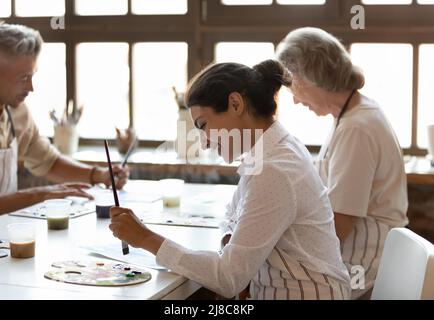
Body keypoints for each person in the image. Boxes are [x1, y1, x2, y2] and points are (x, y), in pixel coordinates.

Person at [109, 59, 351, 300]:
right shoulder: (271, 151)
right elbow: (231, 216)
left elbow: (228, 279)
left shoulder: (274, 169)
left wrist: (146, 238)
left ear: (235, 104)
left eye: (203, 125)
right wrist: (236, 247)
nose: (204, 141)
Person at [276, 27, 408, 299]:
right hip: (368, 254)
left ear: (312, 77)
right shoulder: (352, 114)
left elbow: (340, 225)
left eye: (293, 86)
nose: (296, 100)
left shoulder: (356, 128)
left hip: (366, 262)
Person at [0, 22, 129, 219]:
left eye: (32, 76)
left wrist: (99, 175)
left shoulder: (18, 114)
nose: (31, 88)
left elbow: (49, 162)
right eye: (23, 78)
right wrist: (42, 194)